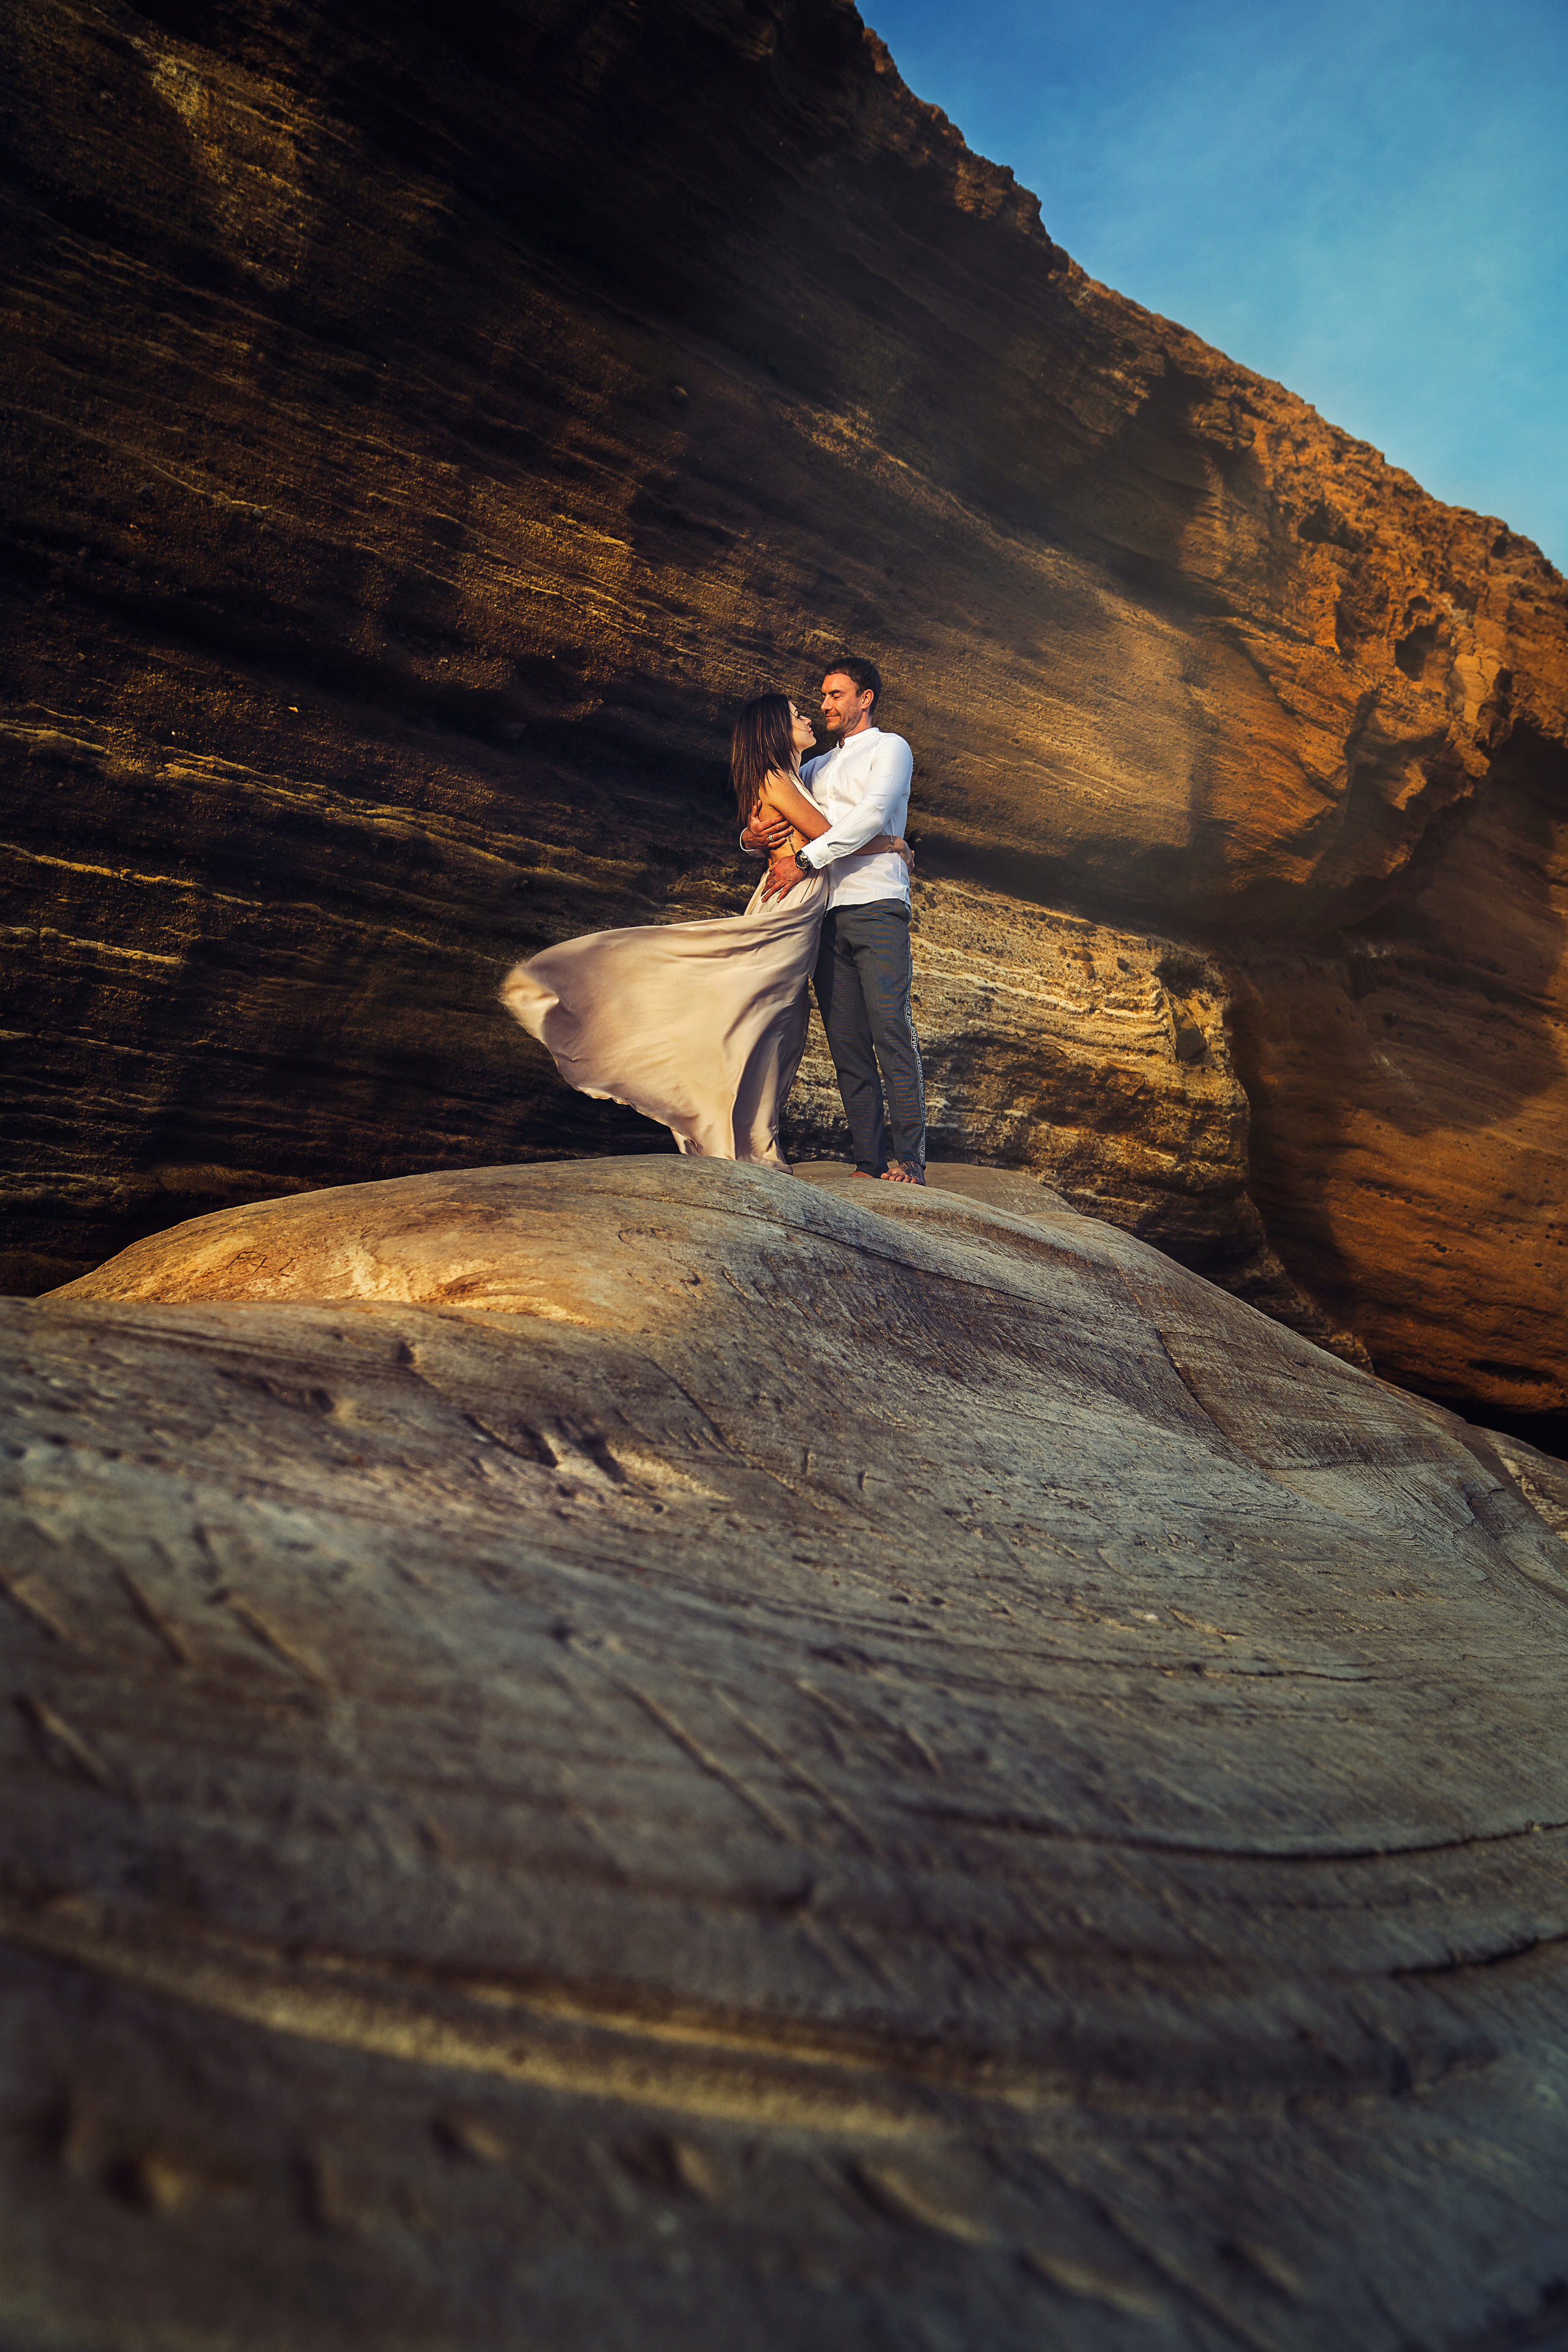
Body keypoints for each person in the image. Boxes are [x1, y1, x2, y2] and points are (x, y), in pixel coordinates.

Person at [499, 694, 911, 1167]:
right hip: (791, 909)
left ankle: (747, 1137)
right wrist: (892, 843)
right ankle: (733, 1138)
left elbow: (800, 833)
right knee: (754, 1019)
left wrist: (749, 838)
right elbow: (828, 835)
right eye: (798, 714)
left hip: (796, 905)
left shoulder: (792, 775)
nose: (810, 716)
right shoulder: (779, 778)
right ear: (776, 728)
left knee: (774, 1024)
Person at [744, 657, 926, 1185]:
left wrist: (803, 860)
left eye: (836, 695)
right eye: (821, 697)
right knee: (846, 1043)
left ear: (865, 698)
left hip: (876, 903)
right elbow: (776, 809)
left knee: (891, 1026)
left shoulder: (890, 748)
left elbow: (870, 816)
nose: (824, 705)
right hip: (824, 912)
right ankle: (868, 1163)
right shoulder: (814, 767)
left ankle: (910, 1160)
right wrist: (748, 837)